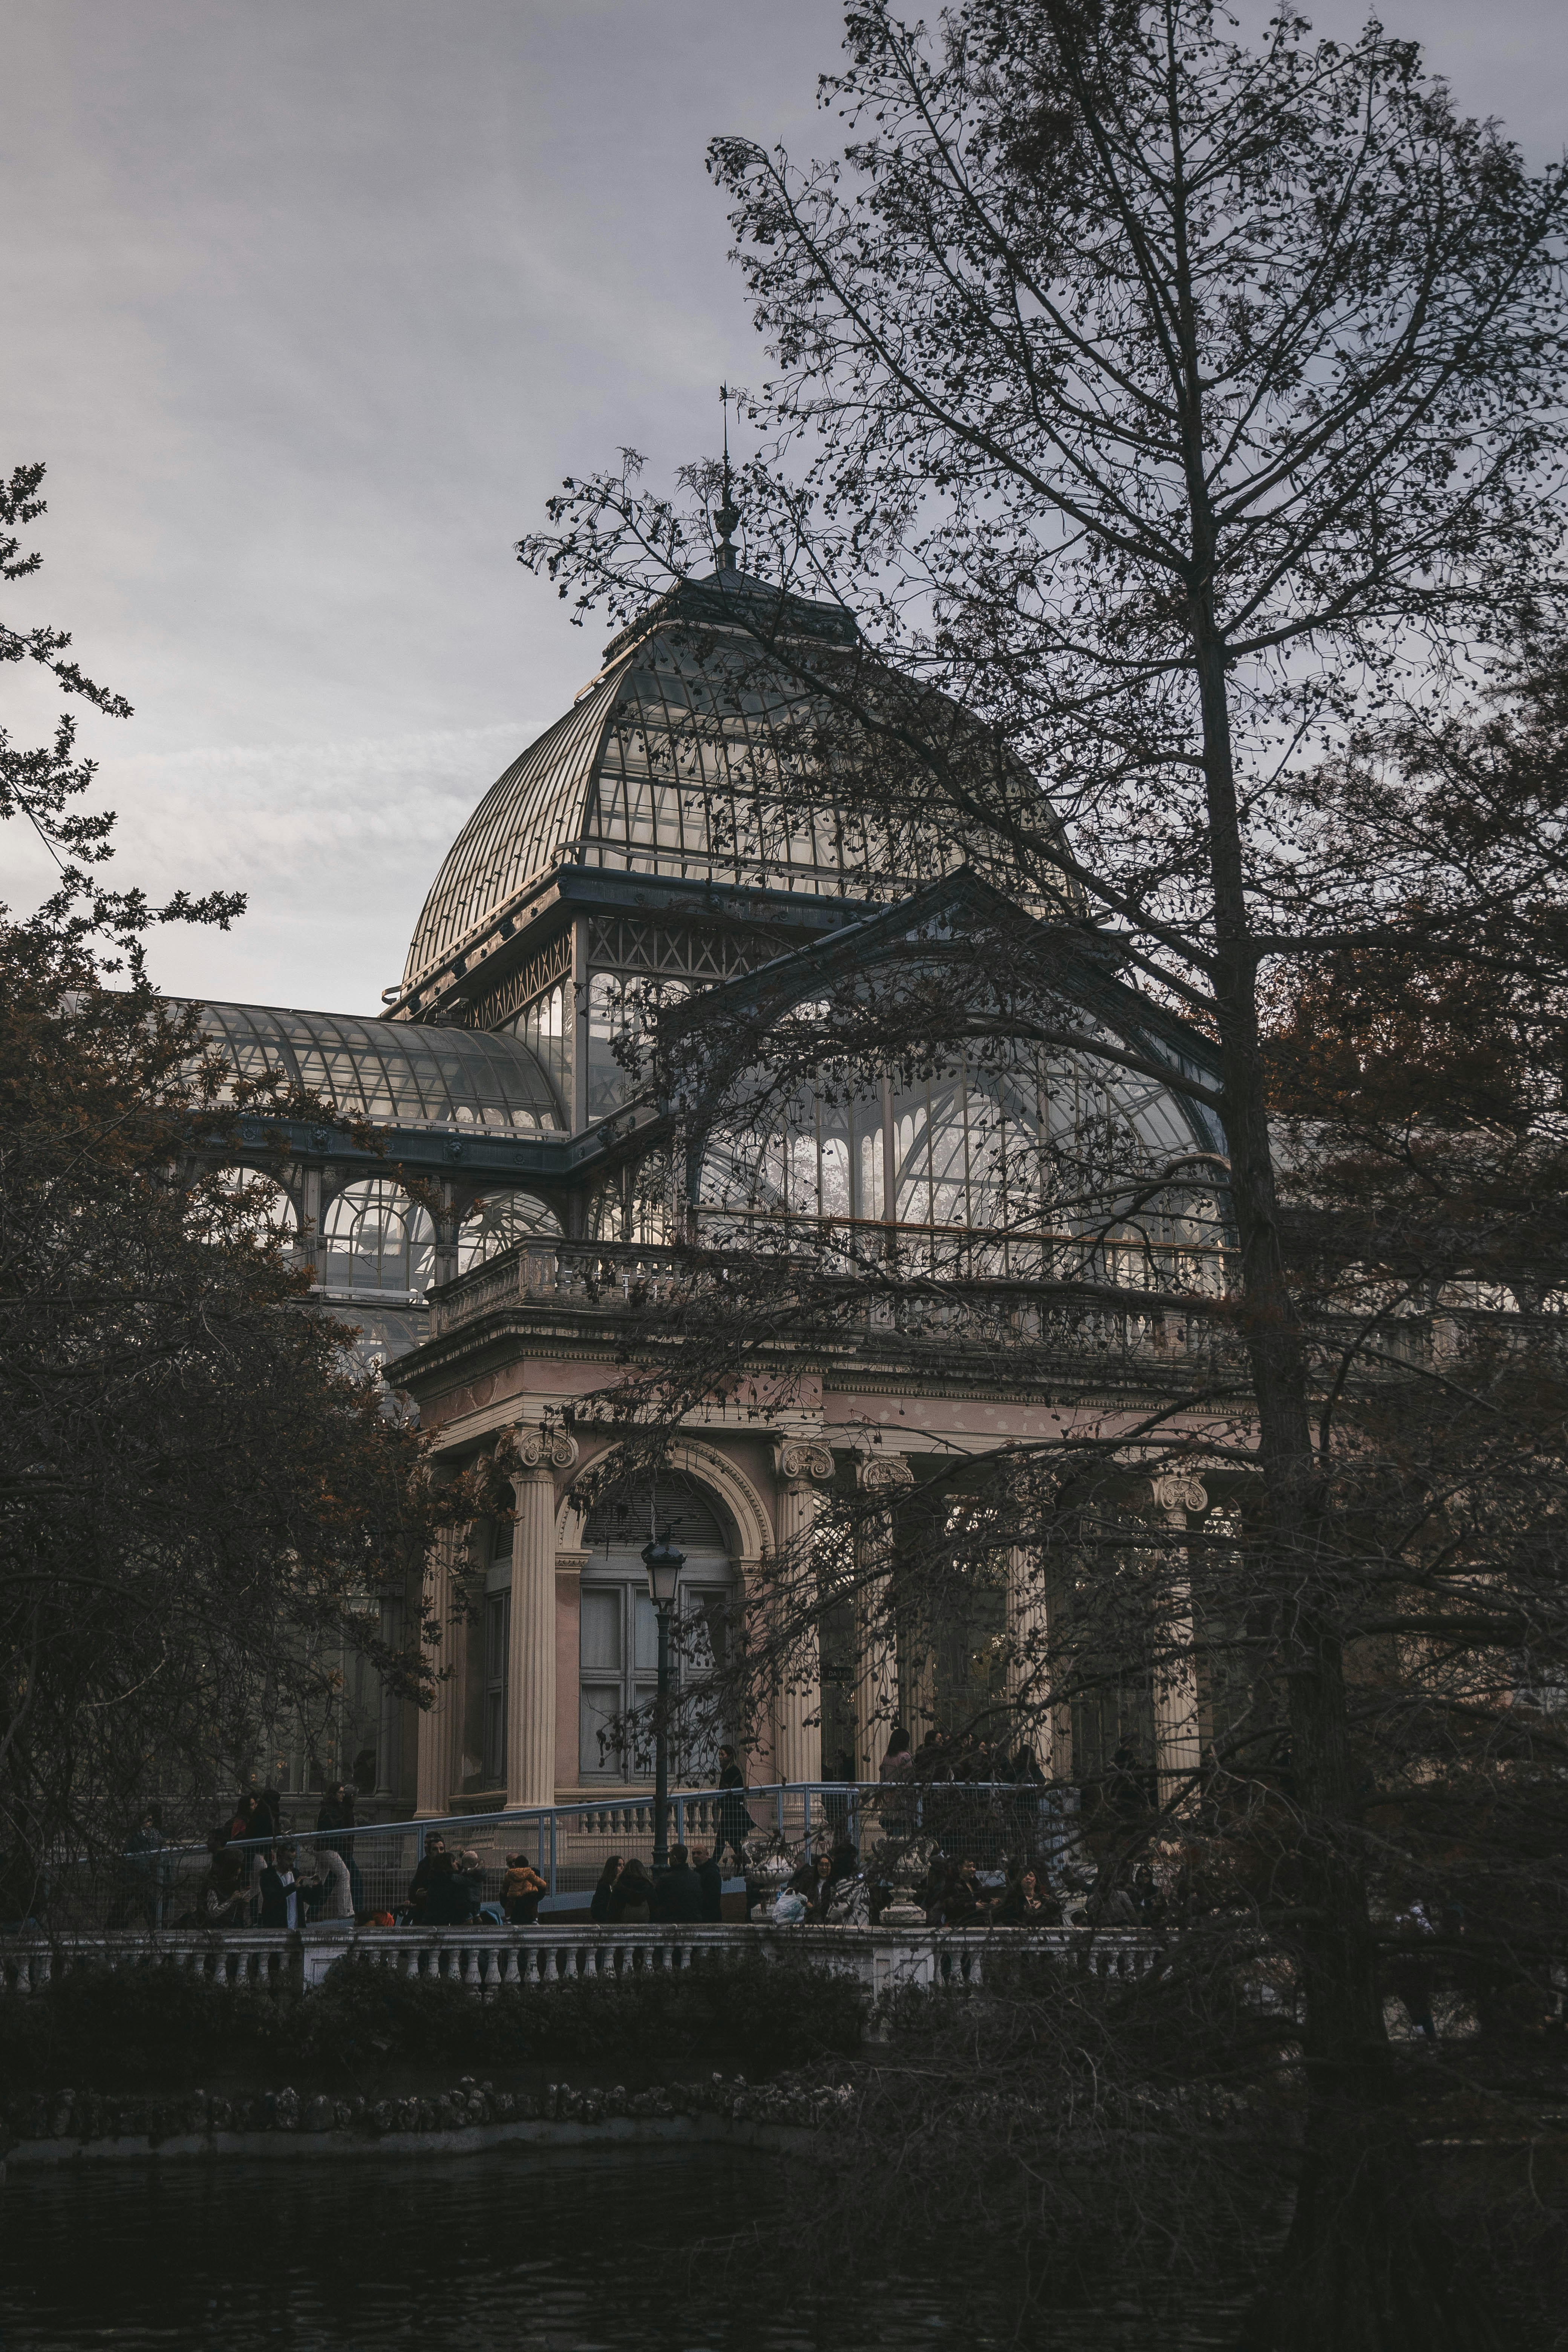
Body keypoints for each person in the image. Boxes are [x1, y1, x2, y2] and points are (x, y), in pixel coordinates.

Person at [316, 1782, 363, 1911]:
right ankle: (349, 1911)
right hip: (335, 1850)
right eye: (340, 1793)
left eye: (343, 1793)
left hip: (334, 1849)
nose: (342, 1795)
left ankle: (311, 1910)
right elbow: (338, 1830)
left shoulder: (338, 1808)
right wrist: (344, 1845)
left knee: (323, 1881)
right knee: (348, 1875)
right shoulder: (337, 1810)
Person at [651, 1843, 704, 1924]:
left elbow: (657, 1902)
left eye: (670, 1855)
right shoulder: (696, 1877)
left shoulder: (666, 1879)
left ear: (674, 1858)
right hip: (693, 1922)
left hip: (671, 1923)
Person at [714, 1747, 749, 1867]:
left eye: (722, 1754)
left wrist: (723, 1799)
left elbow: (736, 1794)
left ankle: (746, 1865)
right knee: (726, 1841)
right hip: (728, 1812)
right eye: (719, 1754)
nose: (720, 1757)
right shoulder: (726, 1771)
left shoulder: (733, 1771)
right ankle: (746, 1865)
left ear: (729, 1756)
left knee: (727, 1841)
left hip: (732, 1813)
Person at [199, 1848, 250, 1930]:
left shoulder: (233, 1888)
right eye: (235, 1875)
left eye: (238, 1876)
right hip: (217, 1928)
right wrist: (231, 1900)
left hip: (233, 1928)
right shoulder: (213, 1888)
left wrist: (243, 1903)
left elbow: (236, 1913)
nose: (236, 1879)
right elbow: (214, 1913)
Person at [423, 1850, 473, 1927]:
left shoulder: (434, 1883)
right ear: (446, 1865)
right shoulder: (455, 1884)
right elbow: (467, 1917)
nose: (456, 1863)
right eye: (453, 1861)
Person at [259, 1844, 302, 1931]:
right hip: (277, 1929)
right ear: (279, 1859)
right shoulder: (268, 1877)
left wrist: (317, 1886)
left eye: (293, 1860)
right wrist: (293, 1887)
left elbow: (311, 1898)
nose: (292, 1863)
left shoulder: (296, 1875)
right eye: (289, 1860)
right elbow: (272, 1898)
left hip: (296, 1929)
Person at [408, 1834, 446, 1922]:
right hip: (424, 1912)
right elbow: (412, 1890)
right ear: (429, 1851)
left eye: (442, 1849)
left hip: (444, 1913)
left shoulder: (449, 1864)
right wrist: (417, 1894)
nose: (439, 1852)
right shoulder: (423, 1866)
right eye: (435, 1849)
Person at [502, 1853, 546, 1926]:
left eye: (515, 1861)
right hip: (523, 1911)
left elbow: (504, 1890)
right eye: (511, 1863)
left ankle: (508, 1920)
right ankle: (535, 1920)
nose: (513, 1865)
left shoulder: (509, 1874)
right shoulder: (531, 1872)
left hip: (518, 1909)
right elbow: (540, 1884)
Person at [611, 1857, 654, 1923]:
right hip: (647, 1925)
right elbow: (655, 1909)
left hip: (623, 1926)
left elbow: (612, 1911)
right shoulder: (648, 1887)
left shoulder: (619, 1887)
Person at [692, 1841, 724, 1923]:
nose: (695, 1856)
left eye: (699, 1853)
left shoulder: (712, 1873)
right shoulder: (698, 1872)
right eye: (693, 1853)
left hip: (709, 1919)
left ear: (707, 1855)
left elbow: (712, 1900)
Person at [590, 1854, 623, 1924]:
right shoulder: (604, 1886)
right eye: (619, 1865)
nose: (623, 1867)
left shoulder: (622, 1884)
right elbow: (598, 1909)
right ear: (613, 1867)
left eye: (623, 1865)